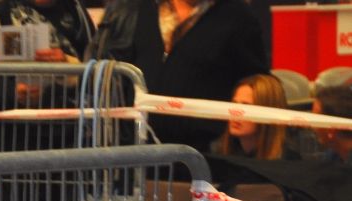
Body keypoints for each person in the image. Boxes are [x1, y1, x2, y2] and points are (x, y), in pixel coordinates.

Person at [89, 0, 268, 151]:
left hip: (202, 155)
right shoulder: (134, 9)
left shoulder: (239, 18)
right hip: (134, 149)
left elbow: (257, 84)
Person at [213, 73, 290, 160]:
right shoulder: (218, 149)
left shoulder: (287, 162)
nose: (235, 113)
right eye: (234, 104)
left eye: (246, 106)